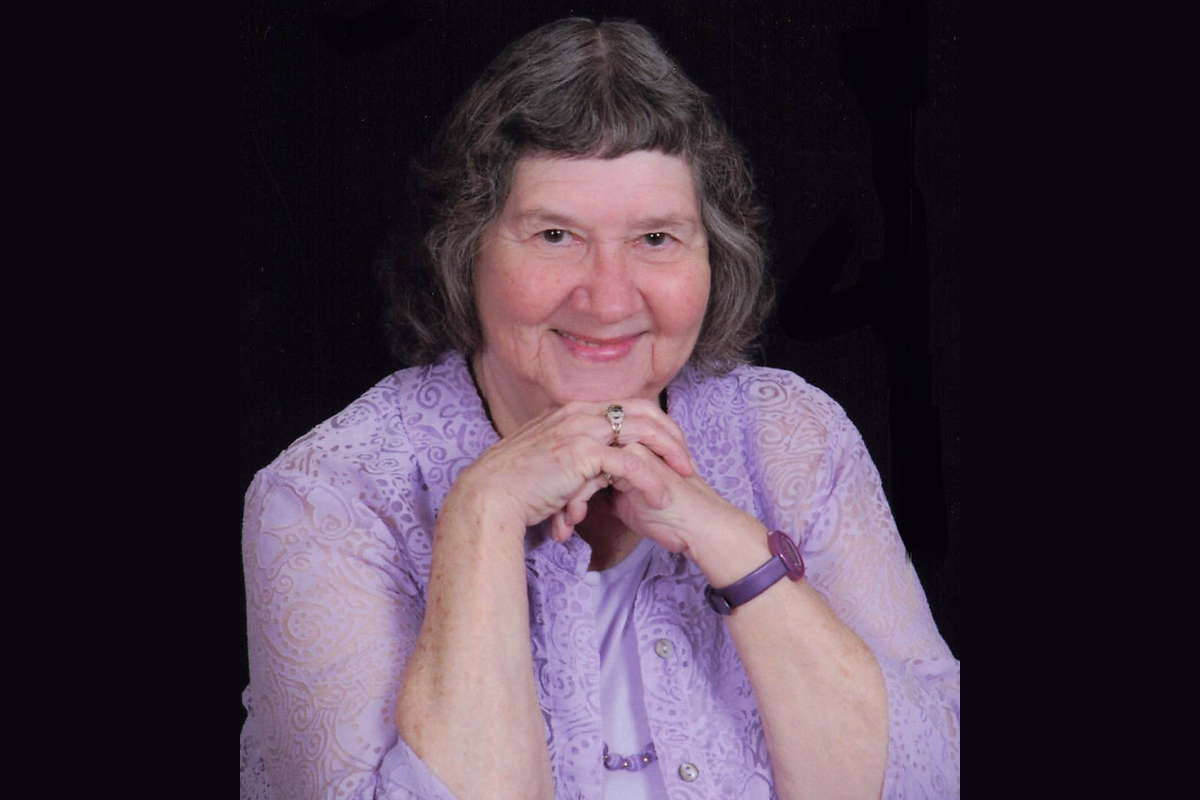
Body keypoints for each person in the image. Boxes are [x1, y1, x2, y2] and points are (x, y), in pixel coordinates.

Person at [240, 17, 959, 800]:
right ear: (465, 250)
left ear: (714, 254)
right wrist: (481, 515)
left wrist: (730, 541)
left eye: (656, 238)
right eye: (556, 235)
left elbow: (931, 780)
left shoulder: (793, 435)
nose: (609, 299)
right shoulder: (327, 495)